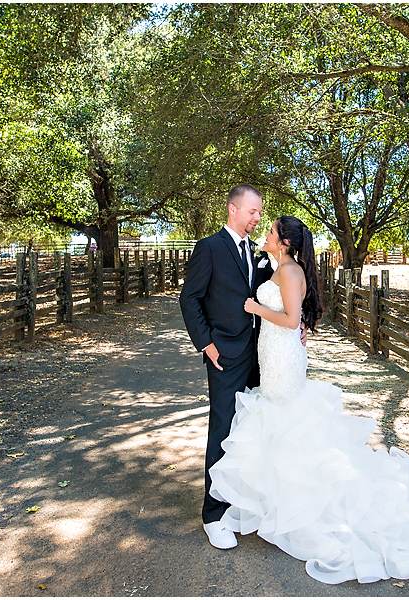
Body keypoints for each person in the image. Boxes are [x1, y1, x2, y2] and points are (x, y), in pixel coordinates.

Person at [208, 215, 409, 584]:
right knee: (277, 422)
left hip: (283, 356)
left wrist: (254, 309)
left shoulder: (290, 272)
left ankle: (300, 503)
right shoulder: (279, 267)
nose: (264, 234)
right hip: (272, 354)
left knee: (285, 422)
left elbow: (288, 319)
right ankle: (276, 501)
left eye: (270, 231)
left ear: (284, 243)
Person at [179, 185, 305, 550]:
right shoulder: (209, 247)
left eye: (260, 214)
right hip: (226, 355)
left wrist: (302, 325)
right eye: (252, 212)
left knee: (253, 431)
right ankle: (213, 515)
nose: (257, 219)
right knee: (222, 430)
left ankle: (242, 503)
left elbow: (286, 294)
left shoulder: (256, 252)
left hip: (262, 356)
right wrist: (207, 344)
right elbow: (190, 299)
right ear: (233, 209)